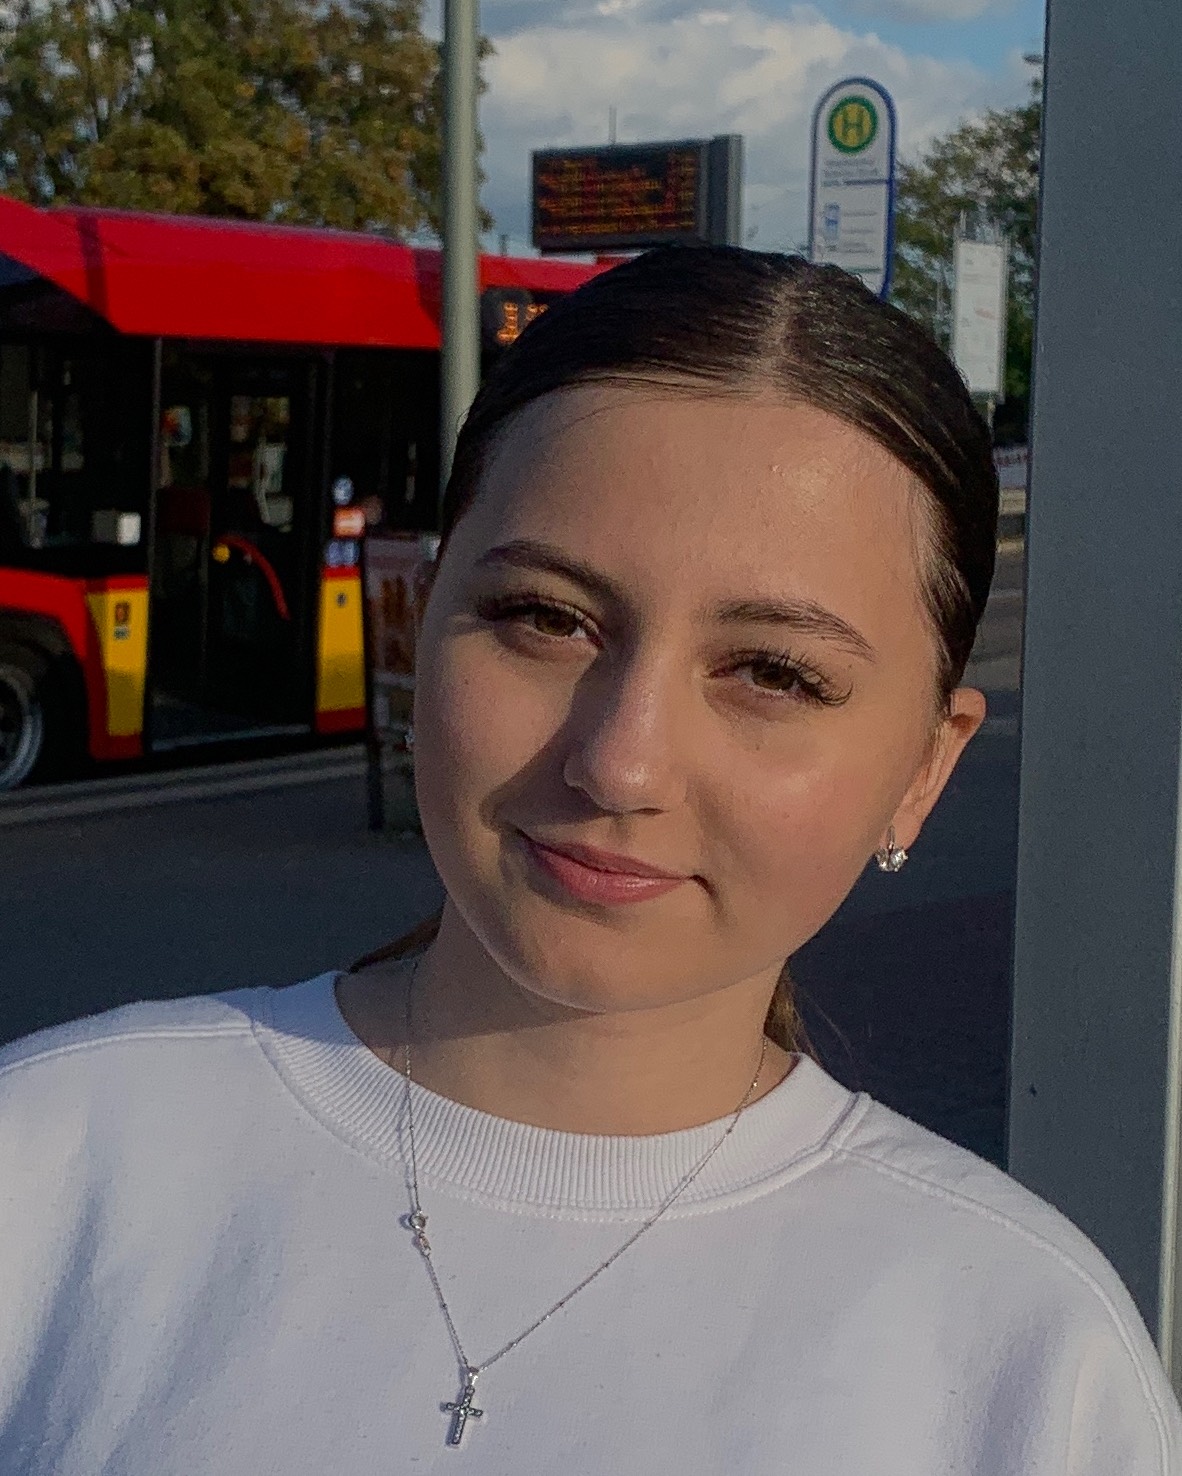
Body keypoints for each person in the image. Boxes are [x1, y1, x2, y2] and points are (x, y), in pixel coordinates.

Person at [1, 245, 1178, 1475]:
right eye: (546, 618)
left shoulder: (1026, 1358)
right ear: (422, 616)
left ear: (925, 770)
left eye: (775, 673)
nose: (622, 763)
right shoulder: (56, 1162)